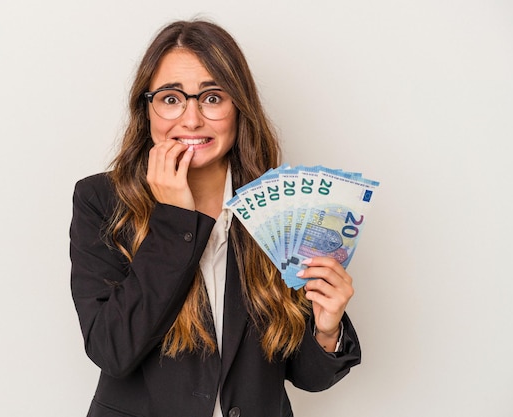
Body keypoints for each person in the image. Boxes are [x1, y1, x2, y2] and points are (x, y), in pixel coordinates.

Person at [70, 19, 361, 417]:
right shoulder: (101, 200)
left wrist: (327, 329)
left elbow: (306, 376)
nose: (191, 120)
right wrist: (173, 219)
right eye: (171, 99)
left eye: (212, 97)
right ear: (147, 108)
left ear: (239, 107)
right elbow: (112, 350)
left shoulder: (277, 209)